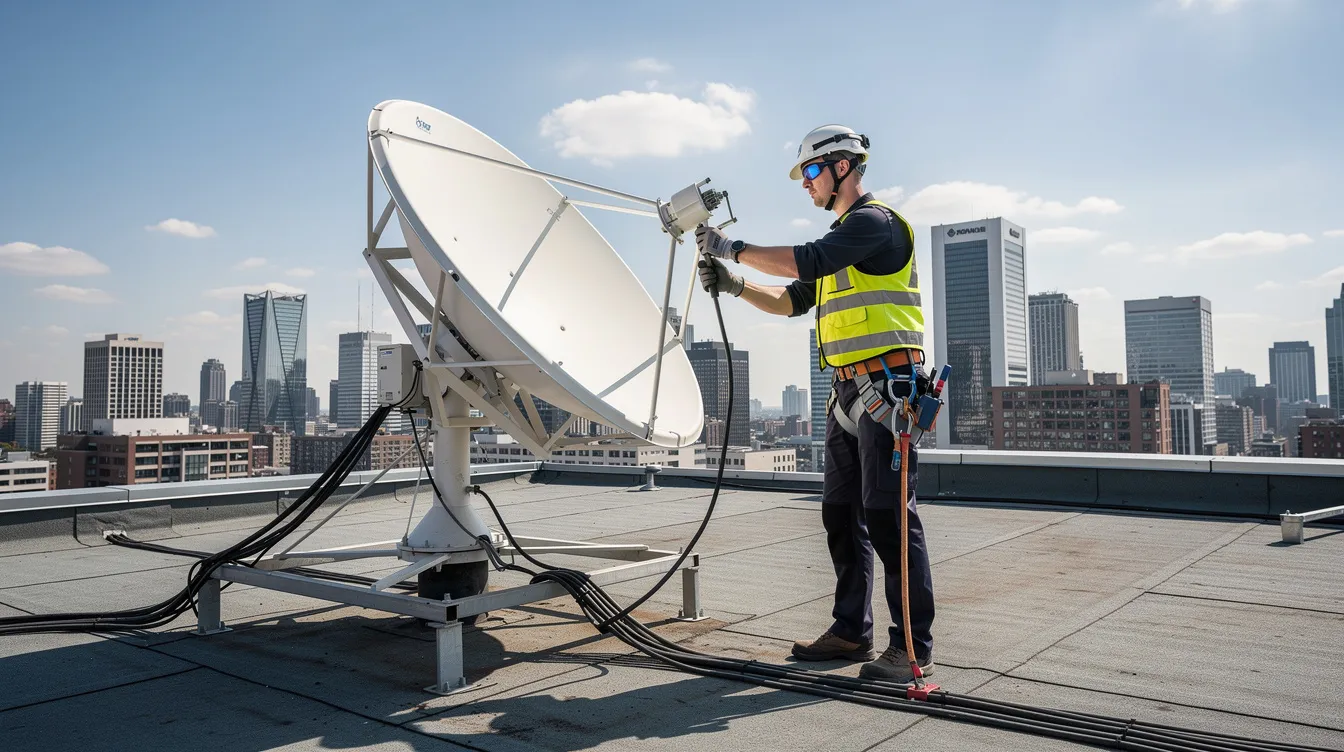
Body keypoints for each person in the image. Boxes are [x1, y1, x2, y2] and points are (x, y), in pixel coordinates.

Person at [695, 125, 935, 682]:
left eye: (809, 172)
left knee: (888, 515)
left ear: (842, 167)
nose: (804, 185)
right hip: (848, 391)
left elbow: (805, 261)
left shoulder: (875, 225)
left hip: (887, 386)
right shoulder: (841, 246)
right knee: (839, 513)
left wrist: (732, 248)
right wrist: (734, 285)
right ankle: (852, 631)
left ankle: (911, 648)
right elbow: (789, 301)